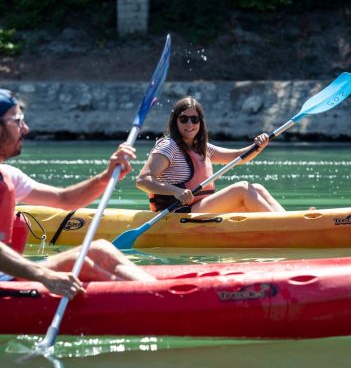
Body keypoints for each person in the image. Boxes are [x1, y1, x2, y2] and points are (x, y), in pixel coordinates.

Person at [0, 88, 155, 299]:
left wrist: (105, 176)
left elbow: (65, 199)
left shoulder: (8, 175)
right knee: (83, 265)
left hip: (8, 277)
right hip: (7, 286)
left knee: (99, 249)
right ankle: (154, 301)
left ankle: (160, 295)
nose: (25, 128)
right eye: (17, 121)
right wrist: (44, 276)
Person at [136, 96, 285, 213]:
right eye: (183, 119)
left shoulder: (201, 148)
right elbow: (142, 180)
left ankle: (289, 221)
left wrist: (258, 146)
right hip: (178, 212)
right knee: (242, 189)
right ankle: (284, 226)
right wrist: (176, 191)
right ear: (175, 122)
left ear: (200, 122)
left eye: (194, 119)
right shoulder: (169, 146)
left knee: (257, 187)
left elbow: (236, 157)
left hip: (199, 207)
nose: (189, 124)